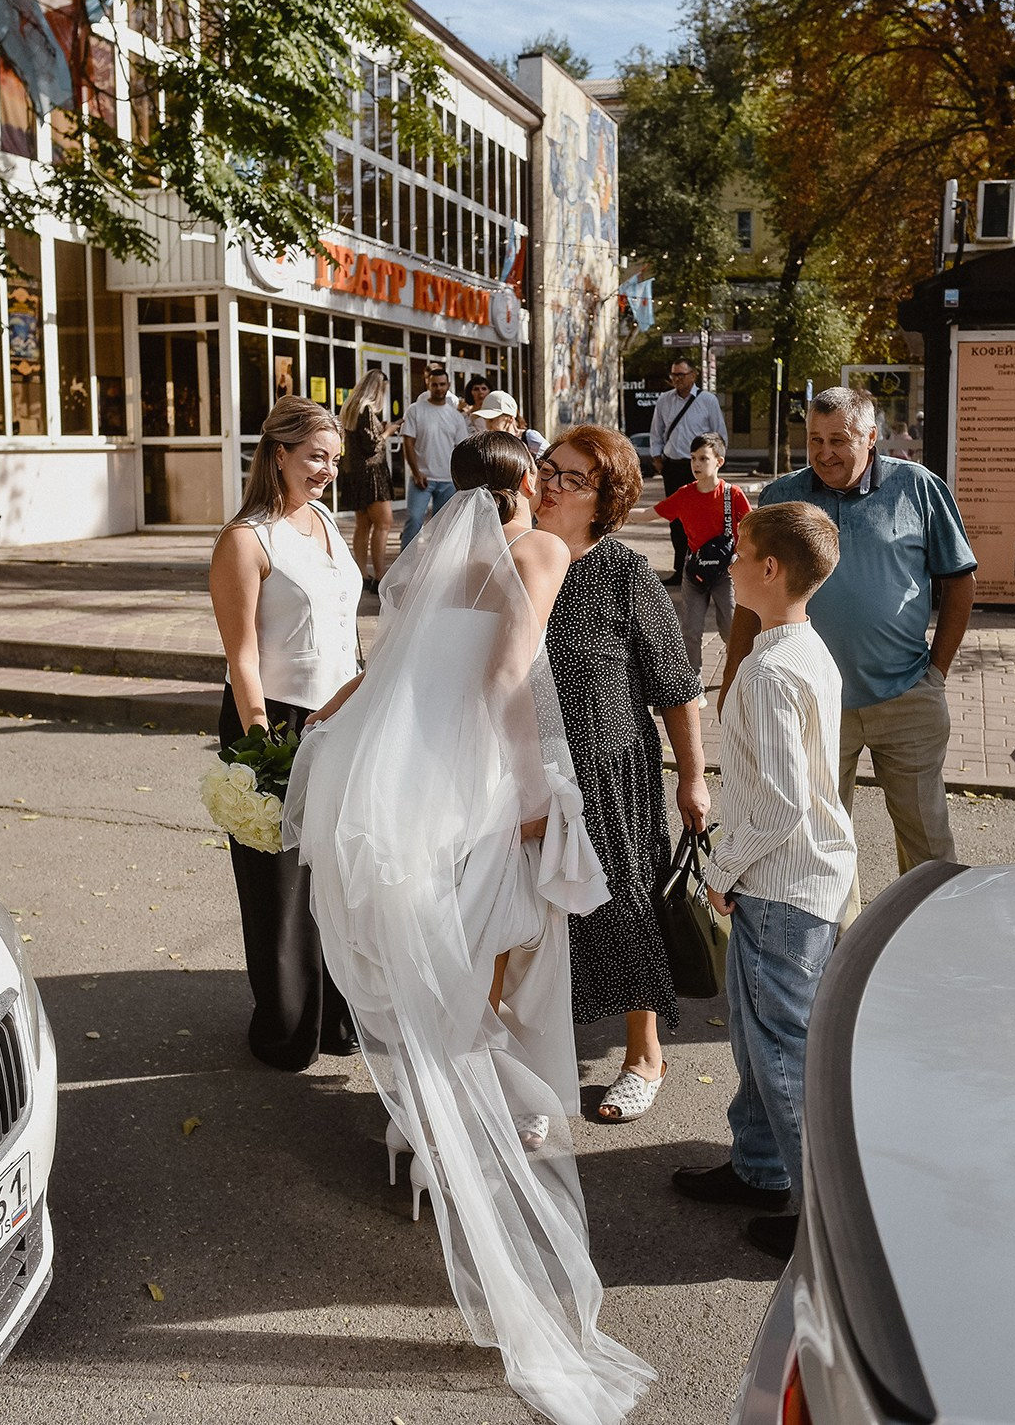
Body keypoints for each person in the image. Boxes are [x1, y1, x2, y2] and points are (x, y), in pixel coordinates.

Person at [282, 431, 654, 1425]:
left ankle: (428, 1135)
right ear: (527, 483)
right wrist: (537, 795)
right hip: (480, 784)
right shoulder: (536, 551)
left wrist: (324, 727)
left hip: (407, 790)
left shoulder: (431, 553)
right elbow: (505, 683)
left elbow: (394, 668)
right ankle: (464, 1146)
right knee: (499, 955)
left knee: (440, 957)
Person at [674, 504, 856, 1263]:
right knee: (755, 1037)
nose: (728, 561)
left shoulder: (768, 669)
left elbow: (779, 799)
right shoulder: (804, 649)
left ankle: (827, 1223)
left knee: (782, 1048)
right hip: (796, 877)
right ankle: (758, 1168)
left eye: (740, 551)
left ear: (771, 570)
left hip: (782, 886)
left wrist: (719, 870)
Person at [721, 387, 976, 911]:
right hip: (810, 701)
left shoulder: (919, 488)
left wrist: (938, 673)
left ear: (871, 437)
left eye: (839, 440)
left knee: (927, 840)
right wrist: (731, 685)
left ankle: (934, 946)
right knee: (817, 846)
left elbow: (960, 581)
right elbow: (750, 599)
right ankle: (838, 959)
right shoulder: (782, 497)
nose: (825, 453)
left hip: (905, 694)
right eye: (815, 440)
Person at [535, 426, 709, 1121]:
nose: (549, 483)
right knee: (536, 918)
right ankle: (538, 1064)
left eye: (571, 479)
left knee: (624, 901)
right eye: (549, 468)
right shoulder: (517, 557)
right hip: (527, 770)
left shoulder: (622, 572)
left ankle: (644, 1054)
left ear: (604, 499)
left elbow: (674, 684)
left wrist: (692, 777)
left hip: (610, 769)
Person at [208, 397, 361, 1070]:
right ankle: (287, 1025)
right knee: (278, 888)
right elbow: (241, 656)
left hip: (341, 717)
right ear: (279, 454)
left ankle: (335, 1019)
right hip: (274, 720)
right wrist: (262, 746)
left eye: (334, 458)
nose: (327, 469)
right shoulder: (246, 537)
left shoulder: (326, 519)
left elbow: (342, 629)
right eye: (315, 456)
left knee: (336, 876)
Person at [627, 431, 751, 687]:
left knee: (730, 627)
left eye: (703, 458)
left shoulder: (732, 494)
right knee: (691, 631)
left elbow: (752, 526)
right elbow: (650, 513)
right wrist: (617, 512)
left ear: (719, 461)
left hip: (726, 573)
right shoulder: (685, 494)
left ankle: (739, 674)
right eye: (693, 458)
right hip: (694, 572)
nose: (695, 464)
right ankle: (693, 682)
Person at [648, 359, 727, 585]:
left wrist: (718, 462)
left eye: (682, 375)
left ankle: (707, 566)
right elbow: (657, 430)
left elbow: (719, 433)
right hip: (672, 465)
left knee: (704, 517)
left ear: (694, 375)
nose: (677, 379)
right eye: (674, 375)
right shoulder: (664, 400)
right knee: (676, 519)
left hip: (701, 466)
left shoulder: (707, 400)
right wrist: (657, 458)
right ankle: (679, 569)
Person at [399, 364, 468, 549]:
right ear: (428, 384)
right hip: (422, 478)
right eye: (435, 384)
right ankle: (403, 568)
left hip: (447, 480)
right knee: (413, 520)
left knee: (441, 527)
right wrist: (416, 472)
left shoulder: (456, 417)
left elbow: (461, 449)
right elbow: (408, 443)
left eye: (442, 384)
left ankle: (433, 571)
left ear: (448, 385)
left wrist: (458, 478)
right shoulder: (415, 409)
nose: (439, 388)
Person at [339, 368, 395, 593]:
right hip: (372, 474)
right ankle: (380, 576)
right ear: (378, 388)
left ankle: (361, 573)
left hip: (355, 474)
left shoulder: (351, 408)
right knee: (384, 524)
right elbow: (373, 445)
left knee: (363, 525)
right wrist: (388, 431)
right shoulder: (366, 409)